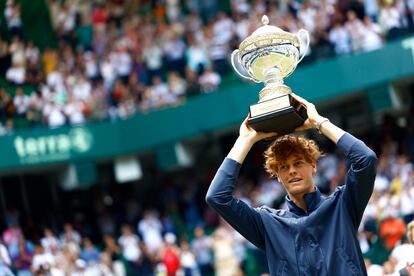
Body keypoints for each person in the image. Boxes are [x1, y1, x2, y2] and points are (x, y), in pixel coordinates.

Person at [206, 93, 378, 275]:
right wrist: (245, 141)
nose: (292, 171)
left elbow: (366, 159)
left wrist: (319, 122)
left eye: (298, 163)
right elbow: (217, 197)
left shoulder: (342, 204)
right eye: (284, 167)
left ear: (313, 166)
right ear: (277, 175)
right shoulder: (266, 223)